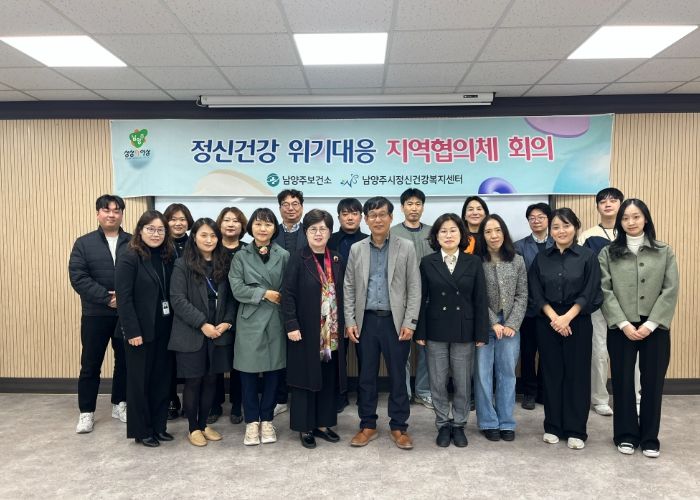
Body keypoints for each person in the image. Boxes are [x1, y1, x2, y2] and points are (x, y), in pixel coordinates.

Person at [599, 199, 679, 458]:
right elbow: (605, 290)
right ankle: (625, 435)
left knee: (652, 383)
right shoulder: (608, 253)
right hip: (621, 326)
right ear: (619, 222)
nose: (631, 222)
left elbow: (670, 289)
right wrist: (623, 323)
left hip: (655, 326)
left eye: (636, 217)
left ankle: (649, 437)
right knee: (622, 382)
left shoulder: (664, 251)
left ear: (646, 219)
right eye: (625, 218)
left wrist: (652, 323)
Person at [344, 197, 421, 450]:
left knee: (398, 376)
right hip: (366, 322)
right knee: (366, 376)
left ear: (391, 217)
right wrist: (350, 320)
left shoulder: (405, 247)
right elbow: (349, 286)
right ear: (366, 220)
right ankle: (367, 425)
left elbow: (414, 287)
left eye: (382, 215)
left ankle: (399, 426)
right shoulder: (357, 249)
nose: (377, 220)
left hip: (395, 322)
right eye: (372, 215)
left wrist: (410, 322)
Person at [528, 208, 602, 450]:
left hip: (577, 321)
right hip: (548, 322)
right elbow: (535, 292)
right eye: (556, 227)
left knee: (577, 376)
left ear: (576, 227)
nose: (561, 231)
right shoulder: (541, 258)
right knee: (551, 374)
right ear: (550, 231)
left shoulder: (588, 257)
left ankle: (576, 429)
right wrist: (555, 318)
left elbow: (591, 291)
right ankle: (552, 426)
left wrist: (567, 317)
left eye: (566, 225)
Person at [415, 213, 488, 448]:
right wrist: (420, 332)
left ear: (462, 234)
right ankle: (442, 424)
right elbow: (421, 298)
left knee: (462, 381)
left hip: (464, 328)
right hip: (435, 328)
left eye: (453, 230)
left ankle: (459, 424)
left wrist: (481, 333)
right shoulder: (427, 262)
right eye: (443, 231)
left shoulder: (473, 262)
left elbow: (480, 299)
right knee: (437, 381)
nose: (448, 235)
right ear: (436, 236)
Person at [169, 218, 236, 447]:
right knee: (193, 381)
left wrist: (227, 322)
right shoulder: (182, 264)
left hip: (218, 332)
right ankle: (193, 428)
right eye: (204, 235)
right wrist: (202, 324)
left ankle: (204, 424)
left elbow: (231, 298)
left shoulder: (223, 263)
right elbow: (178, 300)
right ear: (194, 237)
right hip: (192, 333)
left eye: (213, 236)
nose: (209, 240)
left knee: (211, 381)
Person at [282, 209, 346, 448]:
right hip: (306, 330)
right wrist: (291, 324)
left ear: (330, 232)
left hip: (332, 331)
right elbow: (288, 293)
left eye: (323, 229)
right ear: (306, 232)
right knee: (305, 378)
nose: (318, 233)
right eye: (313, 229)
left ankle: (323, 424)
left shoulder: (337, 259)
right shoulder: (297, 258)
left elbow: (345, 292)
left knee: (327, 378)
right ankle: (305, 426)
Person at [69, 194, 129, 434]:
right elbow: (78, 277)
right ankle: (86, 412)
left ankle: (120, 404)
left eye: (116, 210)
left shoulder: (132, 242)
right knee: (90, 364)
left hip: (126, 314)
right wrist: (107, 298)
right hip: (95, 313)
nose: (111, 214)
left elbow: (141, 275)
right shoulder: (84, 243)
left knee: (124, 362)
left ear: (122, 214)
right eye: (106, 210)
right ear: (98, 214)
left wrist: (123, 299)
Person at [229, 208, 290, 446]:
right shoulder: (240, 256)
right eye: (258, 224)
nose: (262, 229)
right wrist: (264, 293)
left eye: (267, 224)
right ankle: (252, 422)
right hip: (249, 320)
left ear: (275, 228)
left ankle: (267, 420)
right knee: (248, 373)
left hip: (275, 319)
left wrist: (278, 296)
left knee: (274, 372)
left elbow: (288, 287)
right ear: (251, 227)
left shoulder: (283, 255)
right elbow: (237, 288)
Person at [115, 210, 175, 447]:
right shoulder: (129, 257)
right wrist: (132, 332)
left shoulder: (168, 256)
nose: (156, 234)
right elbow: (124, 298)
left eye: (161, 230)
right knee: (140, 383)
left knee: (162, 381)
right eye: (150, 229)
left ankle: (159, 427)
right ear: (140, 230)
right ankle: (142, 431)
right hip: (139, 332)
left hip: (164, 329)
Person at [474, 215, 527, 442]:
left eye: (497, 230)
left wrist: (511, 323)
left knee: (507, 374)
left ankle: (506, 421)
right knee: (483, 374)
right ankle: (488, 421)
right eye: (488, 232)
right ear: (482, 236)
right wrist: (492, 322)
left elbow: (522, 294)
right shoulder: (476, 262)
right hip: (483, 323)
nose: (493, 235)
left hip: (510, 325)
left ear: (504, 232)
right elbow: (476, 297)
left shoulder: (517, 260)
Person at [579, 188, 625, 417]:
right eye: (603, 201)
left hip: (627, 302)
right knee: (598, 350)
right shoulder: (587, 236)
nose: (608, 204)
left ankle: (633, 397)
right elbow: (582, 269)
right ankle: (599, 398)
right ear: (597, 206)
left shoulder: (630, 231)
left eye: (613, 200)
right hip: (598, 301)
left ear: (621, 204)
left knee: (631, 351)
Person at [391, 188, 434, 410]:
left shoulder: (433, 232)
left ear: (423, 207)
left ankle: (424, 391)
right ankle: (404, 392)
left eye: (418, 204)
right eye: (409, 204)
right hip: (401, 300)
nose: (414, 208)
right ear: (402, 207)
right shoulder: (393, 233)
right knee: (402, 350)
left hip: (429, 299)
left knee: (428, 349)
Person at [328, 197, 368, 412]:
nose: (350, 217)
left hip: (363, 305)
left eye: (354, 213)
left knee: (366, 353)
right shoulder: (330, 241)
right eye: (345, 214)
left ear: (361, 217)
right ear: (339, 217)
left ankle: (365, 395)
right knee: (337, 353)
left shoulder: (369, 240)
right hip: (333, 305)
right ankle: (339, 395)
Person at [209, 207, 248, 425]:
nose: (231, 224)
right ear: (219, 223)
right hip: (216, 313)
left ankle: (237, 404)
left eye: (235, 220)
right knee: (215, 359)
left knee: (239, 361)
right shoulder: (211, 248)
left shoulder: (248, 250)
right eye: (226, 220)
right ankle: (214, 404)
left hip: (244, 312)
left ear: (242, 226)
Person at [514, 203, 554, 410]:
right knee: (528, 353)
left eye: (541, 217)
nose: (536, 220)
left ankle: (544, 391)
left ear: (549, 219)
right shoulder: (519, 246)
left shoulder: (558, 242)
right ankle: (529, 392)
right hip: (528, 309)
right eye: (532, 217)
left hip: (553, 310)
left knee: (548, 352)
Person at [272, 189, 307, 416]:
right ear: (280, 208)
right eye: (286, 204)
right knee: (279, 351)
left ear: (302, 207)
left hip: (305, 302)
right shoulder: (270, 233)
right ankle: (280, 397)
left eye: (295, 203)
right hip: (275, 302)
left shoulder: (311, 231)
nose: (291, 208)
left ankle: (303, 395)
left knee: (302, 349)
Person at [163, 202, 194, 419]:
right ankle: (170, 399)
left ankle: (192, 401)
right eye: (173, 219)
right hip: (165, 309)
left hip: (189, 308)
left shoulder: (195, 243)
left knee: (189, 357)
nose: (178, 223)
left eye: (182, 219)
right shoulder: (160, 244)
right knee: (167, 359)